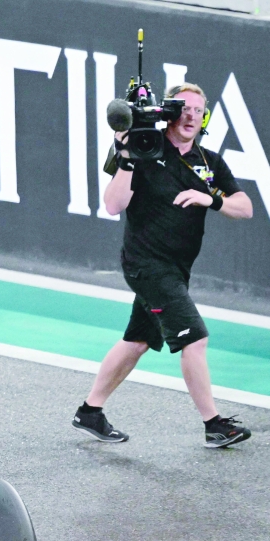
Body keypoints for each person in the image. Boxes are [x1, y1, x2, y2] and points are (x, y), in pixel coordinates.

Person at [72, 83, 253, 448]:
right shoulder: (144, 151)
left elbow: (244, 207)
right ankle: (214, 424)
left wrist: (211, 198)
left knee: (137, 341)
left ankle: (90, 411)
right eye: (183, 108)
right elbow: (112, 204)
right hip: (146, 263)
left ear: (205, 118)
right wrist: (124, 156)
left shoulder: (209, 162)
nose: (190, 115)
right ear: (169, 113)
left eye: (198, 111)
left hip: (176, 268)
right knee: (195, 339)